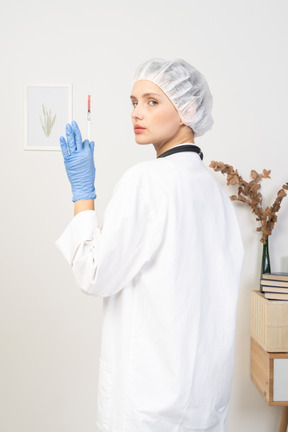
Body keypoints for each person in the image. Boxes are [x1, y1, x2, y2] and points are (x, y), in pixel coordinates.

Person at [55, 57, 244, 432]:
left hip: (149, 406)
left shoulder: (145, 180)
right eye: (133, 102)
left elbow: (94, 274)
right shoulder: (215, 190)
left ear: (188, 109)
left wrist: (82, 194)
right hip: (202, 403)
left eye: (152, 101)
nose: (137, 113)